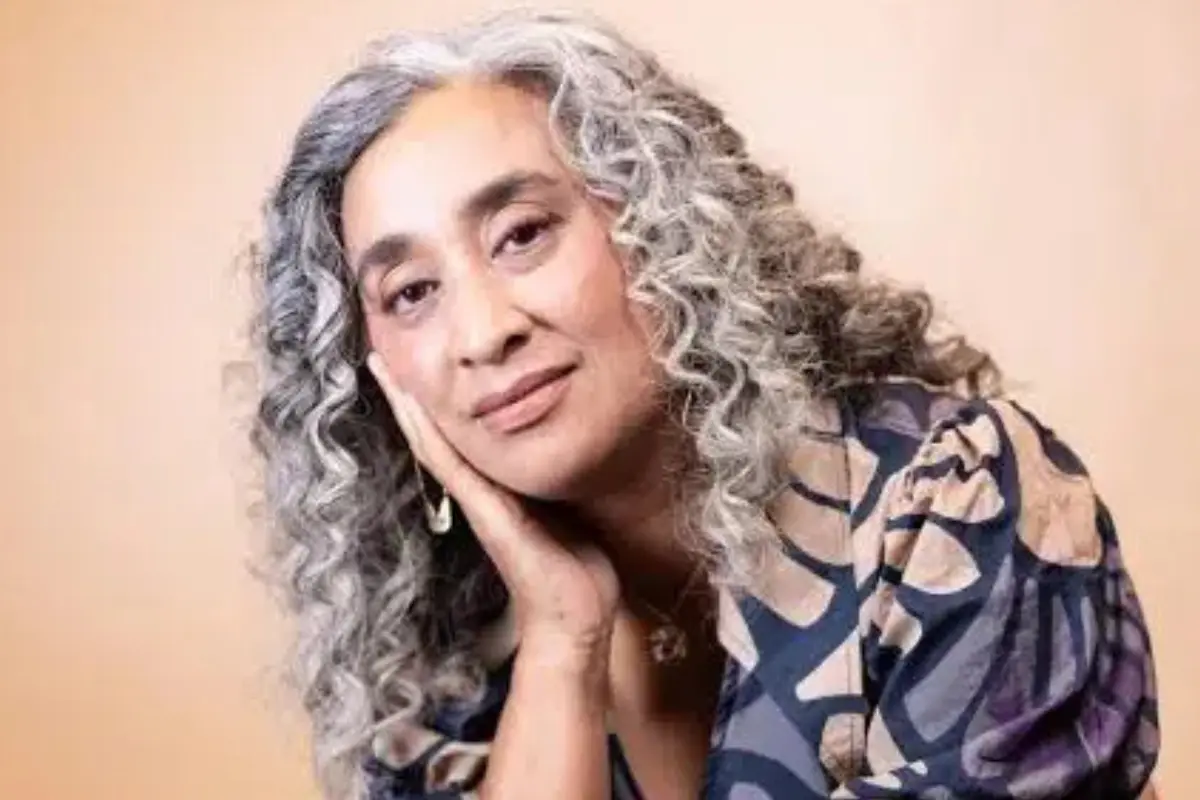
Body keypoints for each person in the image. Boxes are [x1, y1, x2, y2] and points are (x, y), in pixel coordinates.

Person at [248, 10, 1159, 800]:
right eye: (411, 292)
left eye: (522, 235)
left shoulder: (948, 506)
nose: (483, 332)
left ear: (664, 227)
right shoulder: (438, 688)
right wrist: (562, 644)